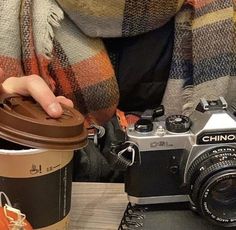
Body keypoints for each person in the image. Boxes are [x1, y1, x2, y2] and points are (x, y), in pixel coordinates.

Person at [1, 0, 236, 181]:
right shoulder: (9, 12)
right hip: (55, 202)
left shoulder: (224, 16)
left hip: (186, 203)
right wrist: (8, 120)